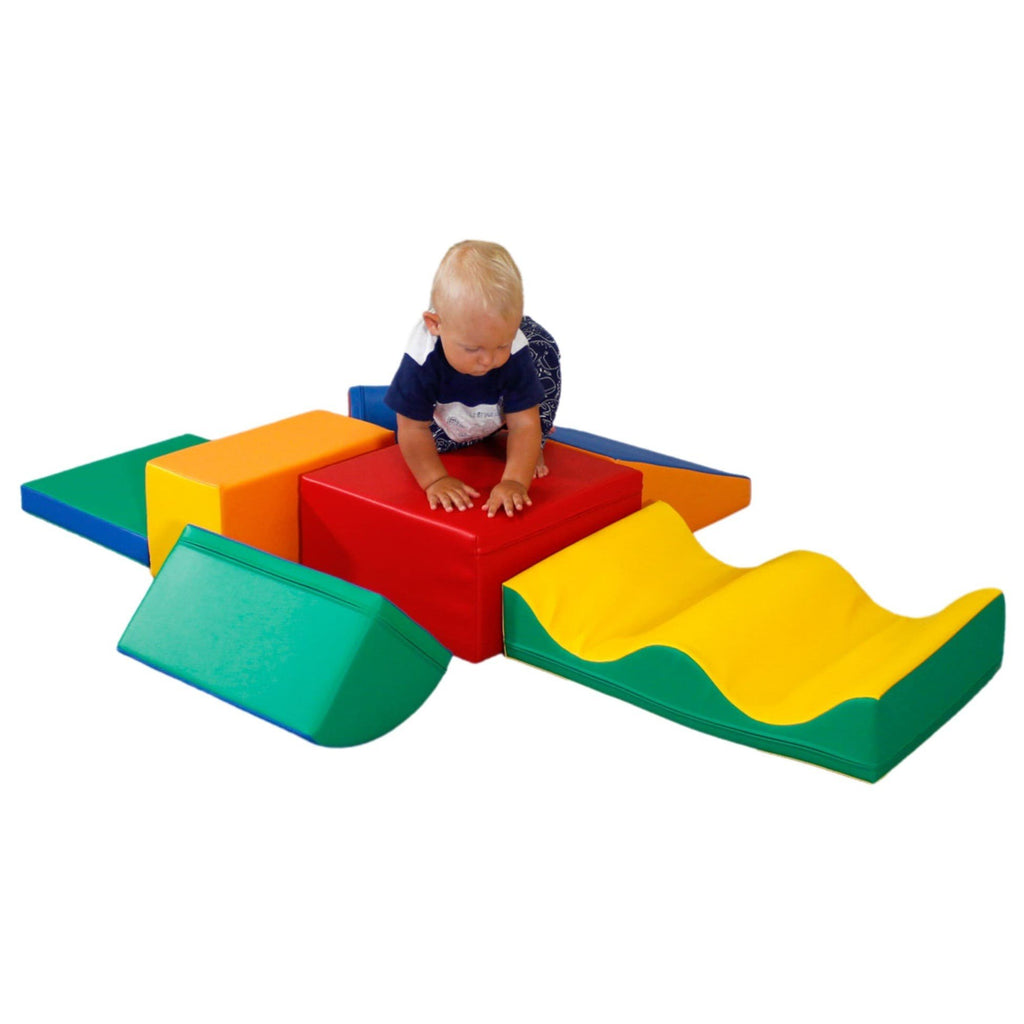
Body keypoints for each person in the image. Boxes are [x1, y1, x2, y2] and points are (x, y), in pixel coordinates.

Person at [384, 240, 561, 518]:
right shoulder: (421, 360)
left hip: (499, 399)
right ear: (435, 325)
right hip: (454, 410)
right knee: (428, 445)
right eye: (472, 349)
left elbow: (525, 423)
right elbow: (412, 428)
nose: (488, 360)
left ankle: (533, 441)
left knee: (543, 353)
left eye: (501, 345)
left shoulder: (516, 351)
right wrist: (435, 480)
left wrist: (515, 480)